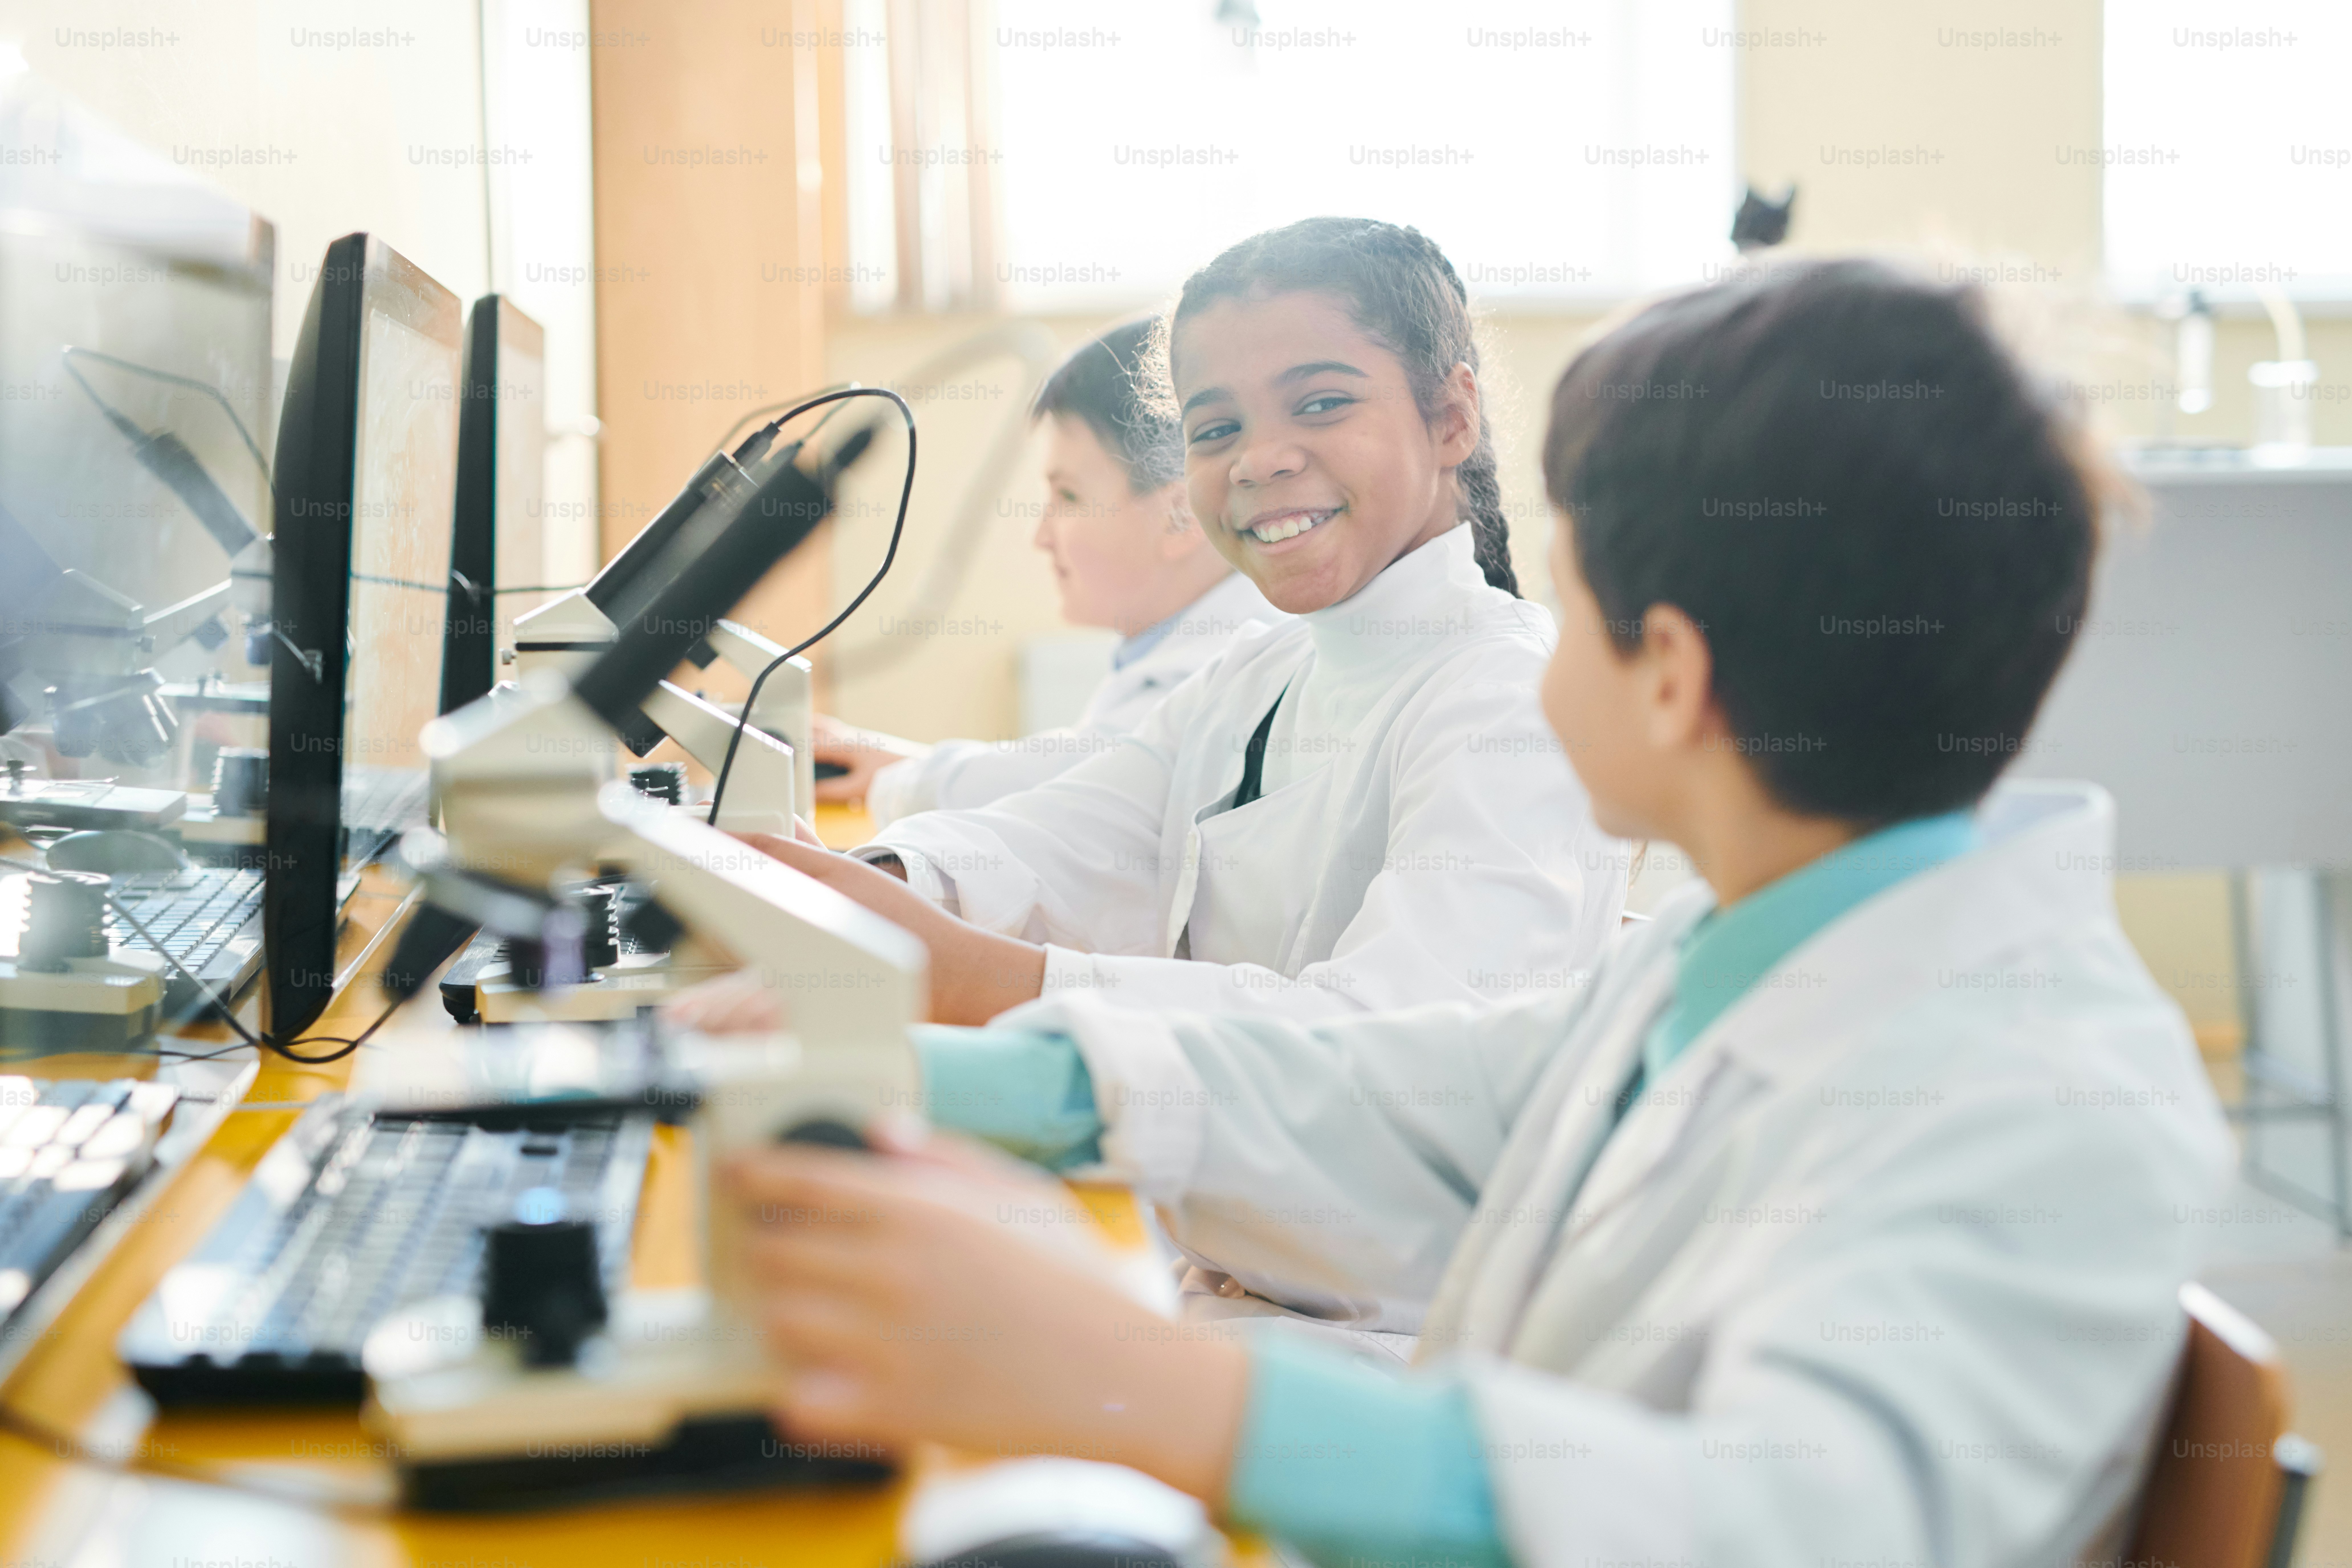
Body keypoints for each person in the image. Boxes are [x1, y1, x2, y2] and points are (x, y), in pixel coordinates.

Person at [720, 259, 2233, 1568]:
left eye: (1568, 602)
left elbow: (1763, 1531)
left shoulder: (2041, 1094)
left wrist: (1126, 1376)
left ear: (1671, 676)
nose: (1532, 635)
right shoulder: (1740, 958)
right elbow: (1409, 1093)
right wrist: (920, 1075)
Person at [733, 218, 1624, 1026]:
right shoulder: (1257, 675)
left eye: (1320, 404)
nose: (1261, 459)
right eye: (1216, 427)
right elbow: (1064, 838)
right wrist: (878, 882)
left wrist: (985, 977)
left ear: (1453, 417)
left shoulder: (1508, 705)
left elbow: (1397, 1050)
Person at [814, 319, 1284, 827]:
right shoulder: (1181, 652)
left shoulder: (1225, 673)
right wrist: (908, 768)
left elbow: (1081, 780)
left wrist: (907, 777)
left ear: (1181, 515)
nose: (1041, 536)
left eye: (1069, 497)